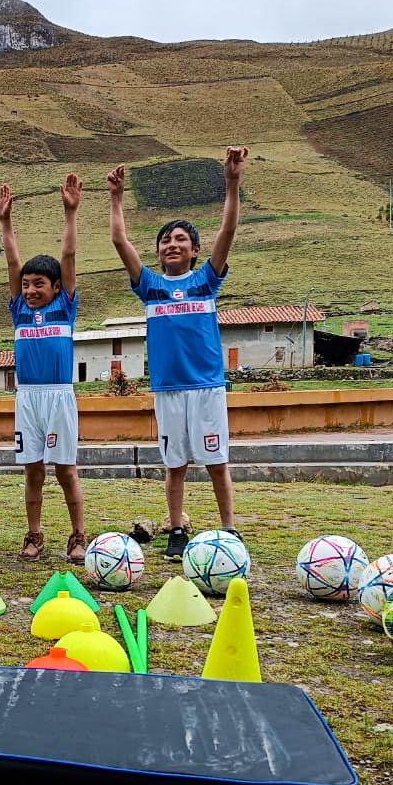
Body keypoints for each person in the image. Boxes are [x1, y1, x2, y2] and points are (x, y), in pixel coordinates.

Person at [107, 147, 249, 560]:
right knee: (175, 466)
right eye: (166, 240)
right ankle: (176, 528)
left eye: (181, 240)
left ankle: (229, 529)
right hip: (168, 389)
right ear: (157, 252)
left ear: (195, 250)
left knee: (217, 461)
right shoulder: (150, 286)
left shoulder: (206, 281)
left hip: (206, 386)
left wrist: (232, 182)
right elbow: (119, 239)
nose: (172, 244)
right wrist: (116, 197)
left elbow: (228, 231)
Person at [0, 178, 87, 563]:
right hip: (27, 399)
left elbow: (67, 256)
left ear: (55, 288)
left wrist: (70, 212)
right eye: (27, 285)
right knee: (33, 472)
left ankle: (79, 536)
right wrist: (5, 222)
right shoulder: (19, 311)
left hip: (59, 396)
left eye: (39, 285)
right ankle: (34, 535)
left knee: (66, 471)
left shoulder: (64, 308)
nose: (31, 290)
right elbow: (13, 262)